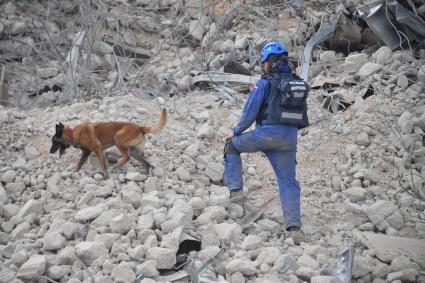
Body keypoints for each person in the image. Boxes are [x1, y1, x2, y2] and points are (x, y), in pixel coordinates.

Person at [224, 41, 309, 244]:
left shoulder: (265, 82)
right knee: (288, 182)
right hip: (289, 139)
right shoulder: (297, 83)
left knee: (231, 147)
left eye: (263, 63)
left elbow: (249, 114)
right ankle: (294, 229)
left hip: (266, 134)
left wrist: (235, 132)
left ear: (270, 62)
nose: (263, 67)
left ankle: (236, 196)